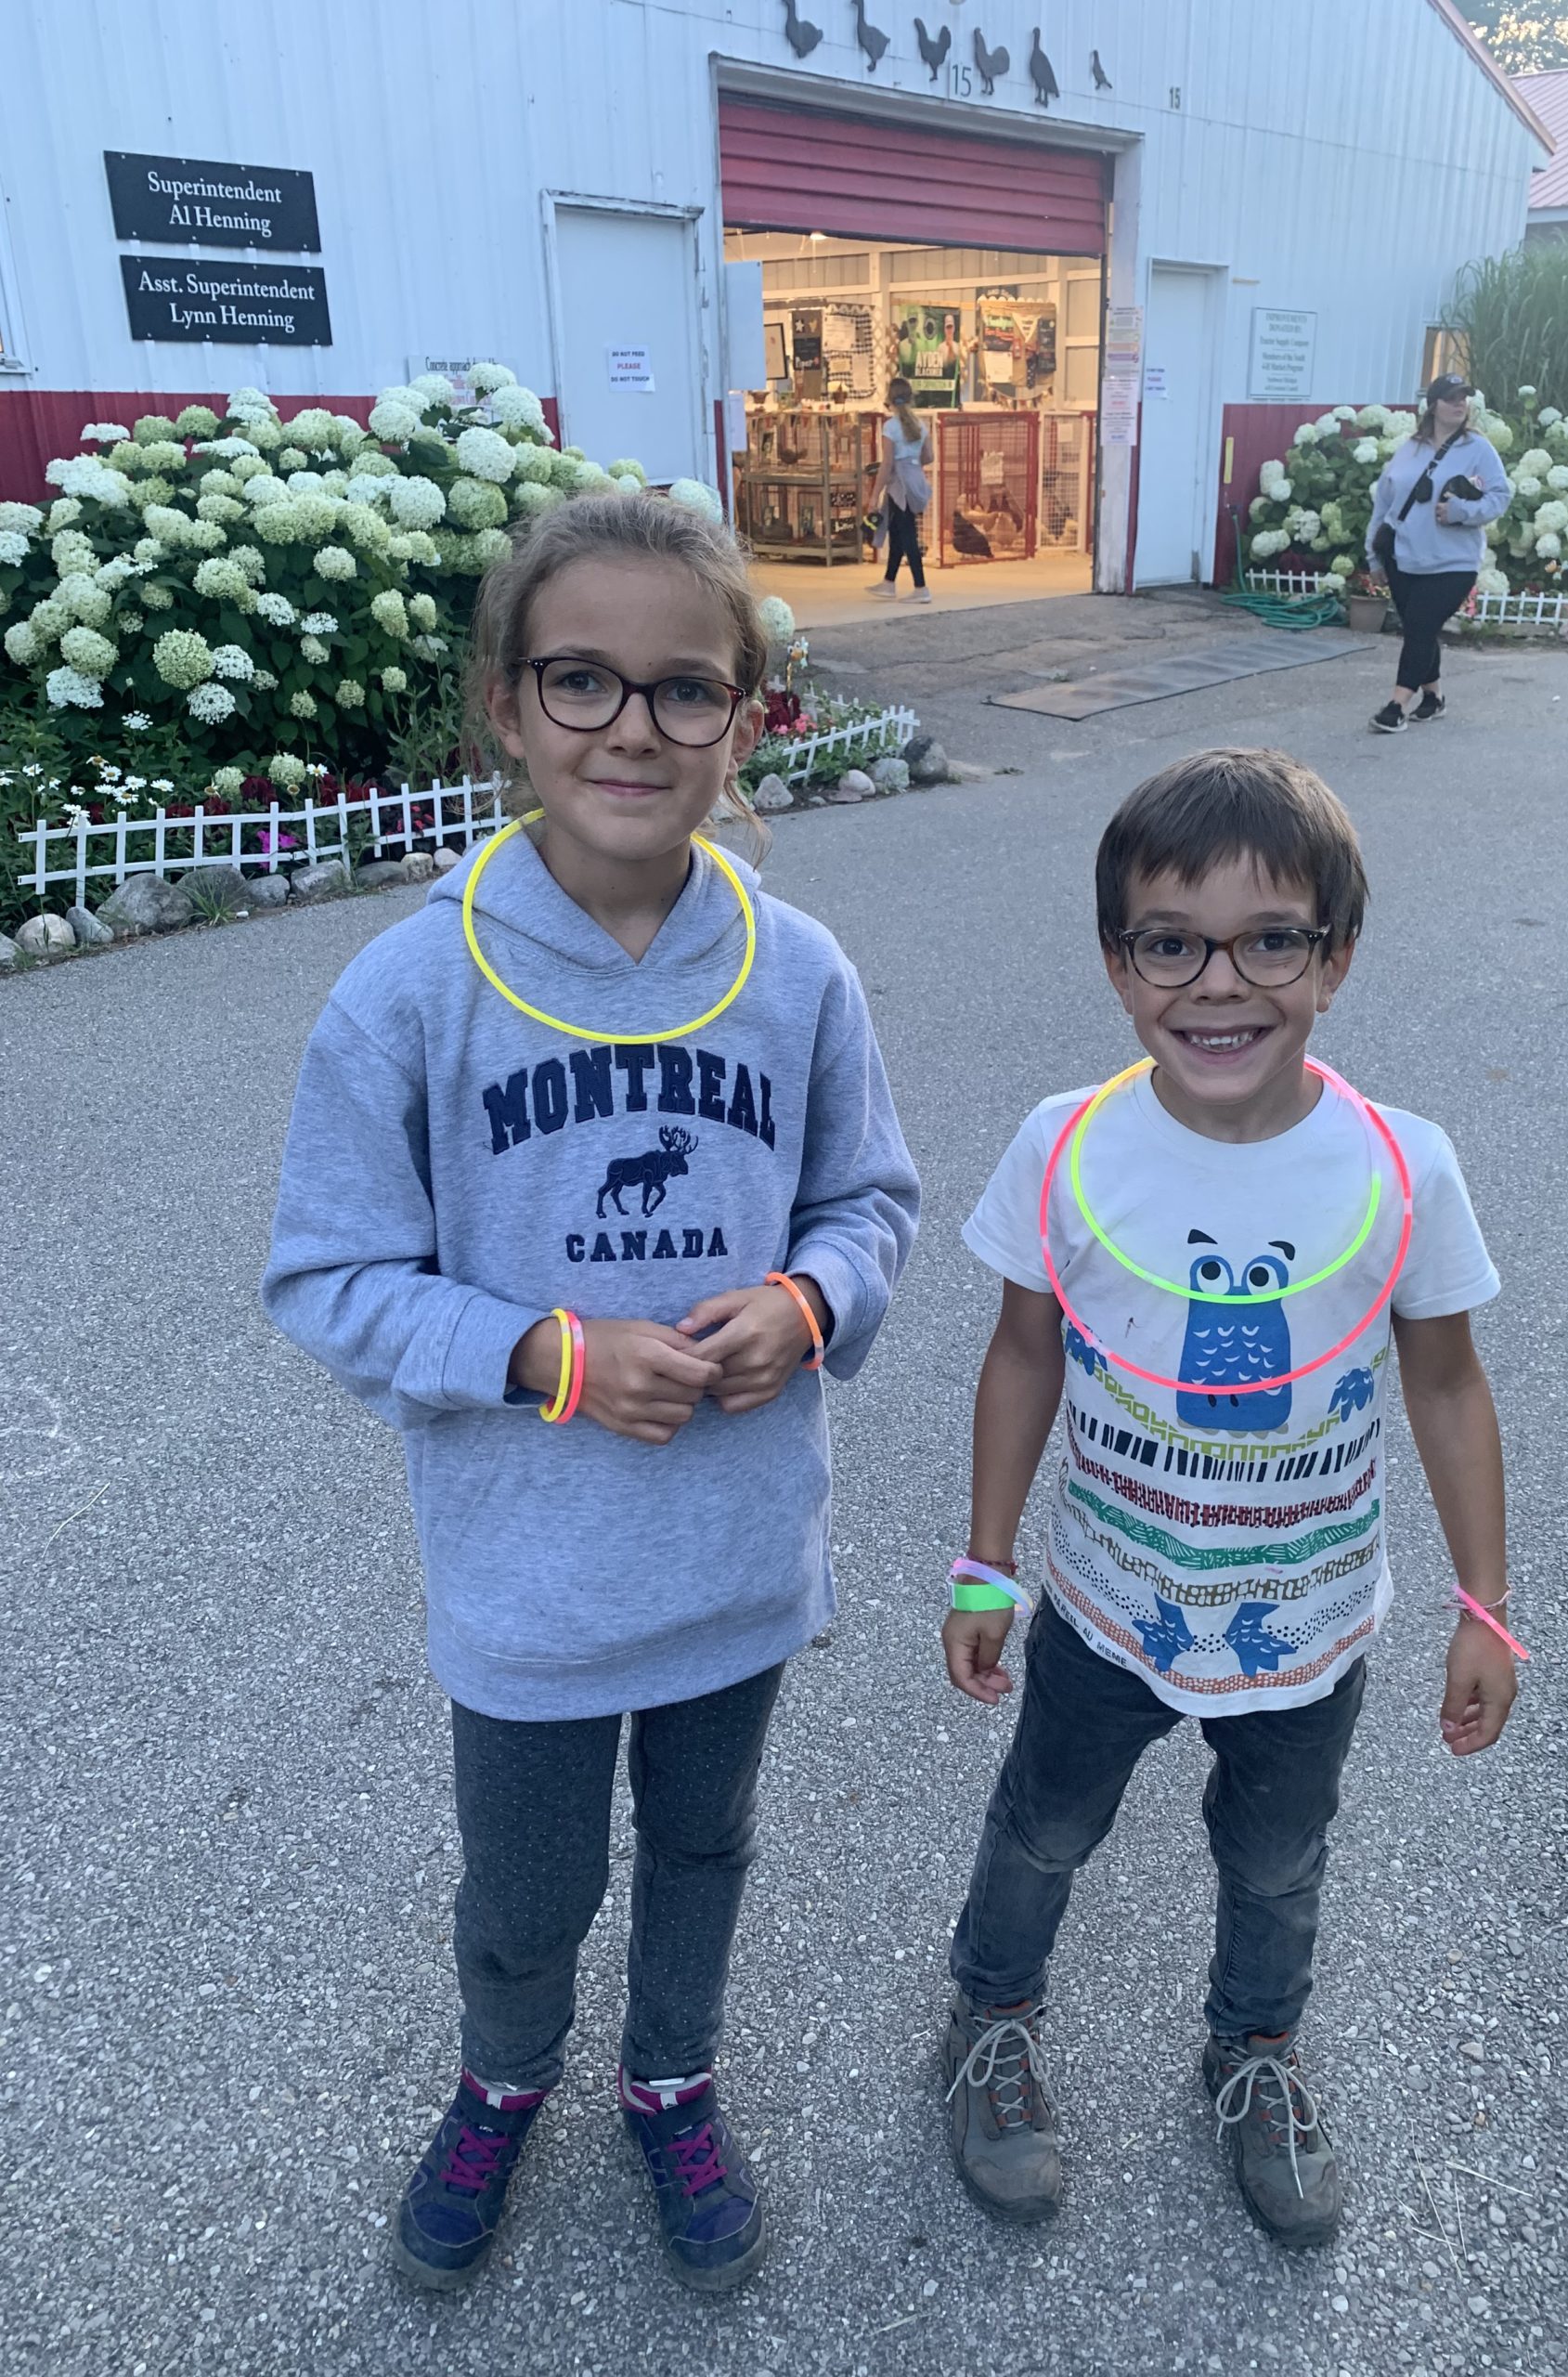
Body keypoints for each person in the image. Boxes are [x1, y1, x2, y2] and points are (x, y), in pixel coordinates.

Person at [263, 492, 919, 2297]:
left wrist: (810, 1297)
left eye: (684, 687)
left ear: (746, 715)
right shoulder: (411, 994)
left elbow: (870, 1203)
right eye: (582, 680)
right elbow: (326, 1276)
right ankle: (504, 2076)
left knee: (704, 1843)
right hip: (532, 1585)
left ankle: (671, 2076)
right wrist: (541, 1353)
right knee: (527, 1890)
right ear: (507, 700)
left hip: (732, 1559)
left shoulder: (798, 975)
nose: (634, 727)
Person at [937, 748, 1516, 2245]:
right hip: (1108, 1609)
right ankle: (990, 2017)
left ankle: (1253, 2051)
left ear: (1337, 957)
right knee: (1045, 1829)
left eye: (1270, 941)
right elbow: (1023, 1355)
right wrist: (986, 1564)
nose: (1219, 985)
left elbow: (1448, 1387)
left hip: (1306, 1626)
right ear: (1115, 961)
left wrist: (1487, 1608)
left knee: (1276, 1864)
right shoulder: (1067, 1146)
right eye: (1170, 943)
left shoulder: (1399, 1168)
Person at [1364, 372, 1510, 734]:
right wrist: (1373, 555)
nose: (1460, 404)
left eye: (1464, 398)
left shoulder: (1478, 449)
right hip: (1403, 557)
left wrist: (1462, 511)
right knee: (1421, 629)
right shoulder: (1410, 448)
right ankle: (1434, 697)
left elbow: (1500, 497)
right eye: (1451, 398)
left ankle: (1397, 705)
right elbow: (1384, 502)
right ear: (1433, 406)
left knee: (1419, 626)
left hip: (1453, 561)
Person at [868, 376, 934, 603]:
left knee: (907, 535)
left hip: (899, 485)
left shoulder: (890, 427)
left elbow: (886, 464)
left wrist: (875, 494)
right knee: (897, 530)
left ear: (889, 398)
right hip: (916, 481)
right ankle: (889, 582)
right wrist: (912, 463)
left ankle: (921, 587)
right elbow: (929, 456)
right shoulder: (920, 424)